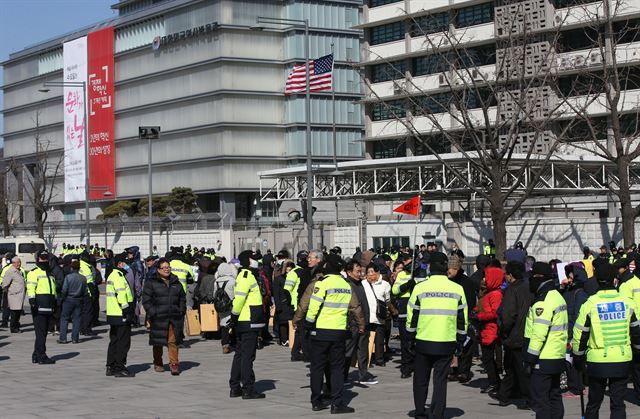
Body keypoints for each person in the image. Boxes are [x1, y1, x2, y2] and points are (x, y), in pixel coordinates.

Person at [573, 262, 640, 419]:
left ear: (596, 280)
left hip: (597, 361)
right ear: (615, 280)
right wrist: (637, 349)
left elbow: (580, 334)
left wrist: (578, 356)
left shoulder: (589, 304)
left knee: (594, 402)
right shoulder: (627, 302)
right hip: (622, 358)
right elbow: (636, 331)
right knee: (618, 403)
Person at [406, 252, 467, 419]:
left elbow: (412, 317)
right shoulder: (457, 289)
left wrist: (409, 339)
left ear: (430, 267)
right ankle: (437, 413)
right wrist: (460, 341)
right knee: (440, 380)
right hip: (446, 342)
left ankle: (420, 412)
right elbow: (463, 320)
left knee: (421, 379)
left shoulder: (420, 288)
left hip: (423, 341)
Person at [305, 253, 365, 413]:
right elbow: (355, 306)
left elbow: (314, 305)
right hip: (338, 332)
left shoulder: (322, 283)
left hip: (321, 331)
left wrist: (308, 323)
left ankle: (316, 401)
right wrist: (361, 324)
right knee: (337, 368)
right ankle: (336, 403)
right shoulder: (346, 285)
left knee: (317, 367)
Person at [524, 262, 568, 419]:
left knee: (541, 401)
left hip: (542, 358)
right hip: (557, 355)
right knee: (555, 395)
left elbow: (538, 334)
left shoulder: (543, 301)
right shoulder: (557, 296)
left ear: (538, 278)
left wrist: (529, 358)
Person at [494, 261, 532, 408]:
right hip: (526, 333)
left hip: (514, 335)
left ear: (510, 275)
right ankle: (506, 394)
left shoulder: (511, 290)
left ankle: (527, 397)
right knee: (512, 367)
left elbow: (509, 315)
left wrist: (503, 330)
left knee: (516, 368)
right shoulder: (528, 287)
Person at [229, 250, 266, 400]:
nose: (257, 261)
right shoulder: (246, 275)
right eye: (254, 259)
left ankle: (235, 387)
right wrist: (234, 315)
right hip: (248, 320)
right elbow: (239, 299)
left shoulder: (247, 275)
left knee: (240, 354)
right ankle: (248, 388)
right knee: (247, 356)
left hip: (247, 320)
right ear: (248, 261)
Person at [142, 257, 187, 376]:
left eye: (168, 267)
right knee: (158, 342)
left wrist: (181, 310)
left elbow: (182, 298)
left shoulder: (176, 282)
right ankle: (158, 362)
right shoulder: (151, 283)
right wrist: (153, 312)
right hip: (158, 317)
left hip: (174, 317)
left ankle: (174, 364)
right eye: (164, 268)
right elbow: (146, 300)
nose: (167, 270)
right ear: (158, 269)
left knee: (172, 341)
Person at [343, 260, 377, 385]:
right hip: (353, 324)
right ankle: (343, 376)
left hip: (364, 322)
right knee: (348, 351)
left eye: (360, 271)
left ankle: (363, 375)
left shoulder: (361, 284)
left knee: (363, 350)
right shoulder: (347, 285)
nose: (360, 273)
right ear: (349, 272)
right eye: (357, 271)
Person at [105, 252, 135, 378]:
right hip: (121, 313)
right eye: (124, 262)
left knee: (114, 340)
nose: (126, 264)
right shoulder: (118, 276)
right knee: (123, 342)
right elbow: (121, 294)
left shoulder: (112, 275)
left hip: (113, 313)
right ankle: (119, 367)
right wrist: (127, 309)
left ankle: (111, 366)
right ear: (119, 264)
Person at [447, 255, 475, 383]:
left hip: (463, 318)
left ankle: (464, 371)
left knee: (465, 346)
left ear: (457, 268)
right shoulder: (447, 281)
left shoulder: (466, 282)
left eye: (451, 268)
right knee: (451, 346)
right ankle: (453, 370)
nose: (449, 271)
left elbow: (470, 301)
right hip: (449, 318)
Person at [476, 266, 503, 394]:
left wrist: (479, 316)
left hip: (491, 329)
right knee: (487, 358)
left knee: (487, 358)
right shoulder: (488, 293)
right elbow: (483, 307)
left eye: (487, 277)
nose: (484, 279)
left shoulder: (495, 294)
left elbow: (495, 313)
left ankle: (494, 383)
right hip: (486, 329)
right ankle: (495, 382)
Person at [27, 251, 57, 364]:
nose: (44, 260)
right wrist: (32, 300)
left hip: (49, 305)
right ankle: (41, 356)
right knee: (40, 333)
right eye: (42, 258)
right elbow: (30, 286)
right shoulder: (33, 273)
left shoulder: (50, 273)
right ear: (38, 259)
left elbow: (52, 289)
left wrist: (55, 301)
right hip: (39, 305)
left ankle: (36, 354)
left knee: (43, 332)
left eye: (46, 258)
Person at [616, 257, 640, 399]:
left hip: (635, 326)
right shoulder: (637, 280)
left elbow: (625, 309)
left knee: (636, 364)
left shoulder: (625, 285)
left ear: (623, 269)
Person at [391, 253, 416, 378]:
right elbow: (395, 290)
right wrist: (406, 286)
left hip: (417, 311)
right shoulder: (401, 275)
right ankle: (406, 367)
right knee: (405, 342)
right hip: (404, 311)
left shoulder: (420, 274)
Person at [366, 263, 391, 367]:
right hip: (367, 315)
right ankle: (368, 359)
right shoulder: (364, 283)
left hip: (379, 315)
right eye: (368, 272)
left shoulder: (385, 285)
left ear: (377, 272)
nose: (370, 275)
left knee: (380, 339)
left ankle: (379, 359)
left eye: (372, 272)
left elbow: (388, 300)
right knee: (367, 339)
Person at [285, 250, 308, 361]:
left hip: (302, 304)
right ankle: (303, 352)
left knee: (300, 330)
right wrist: (290, 304)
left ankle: (295, 353)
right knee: (302, 329)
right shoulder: (294, 273)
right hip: (296, 305)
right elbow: (286, 290)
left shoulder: (305, 271)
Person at [58, 258, 87, 344]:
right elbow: (85, 291)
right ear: (79, 268)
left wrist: (62, 299)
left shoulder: (68, 277)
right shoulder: (83, 278)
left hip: (68, 299)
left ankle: (63, 338)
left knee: (64, 319)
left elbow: (64, 290)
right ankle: (75, 338)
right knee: (77, 319)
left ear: (71, 268)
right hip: (79, 300)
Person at [214, 262, 237, 353]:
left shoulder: (216, 282)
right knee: (233, 323)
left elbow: (214, 294)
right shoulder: (233, 280)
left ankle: (225, 344)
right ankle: (234, 342)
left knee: (223, 325)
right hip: (232, 305)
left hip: (222, 306)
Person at [2, 256, 25, 333]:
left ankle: (16, 326)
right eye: (18, 262)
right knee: (14, 312)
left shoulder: (19, 270)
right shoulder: (10, 271)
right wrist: (11, 291)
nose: (19, 264)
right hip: (14, 295)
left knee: (18, 312)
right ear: (13, 263)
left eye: (20, 262)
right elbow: (5, 284)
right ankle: (13, 328)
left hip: (20, 295)